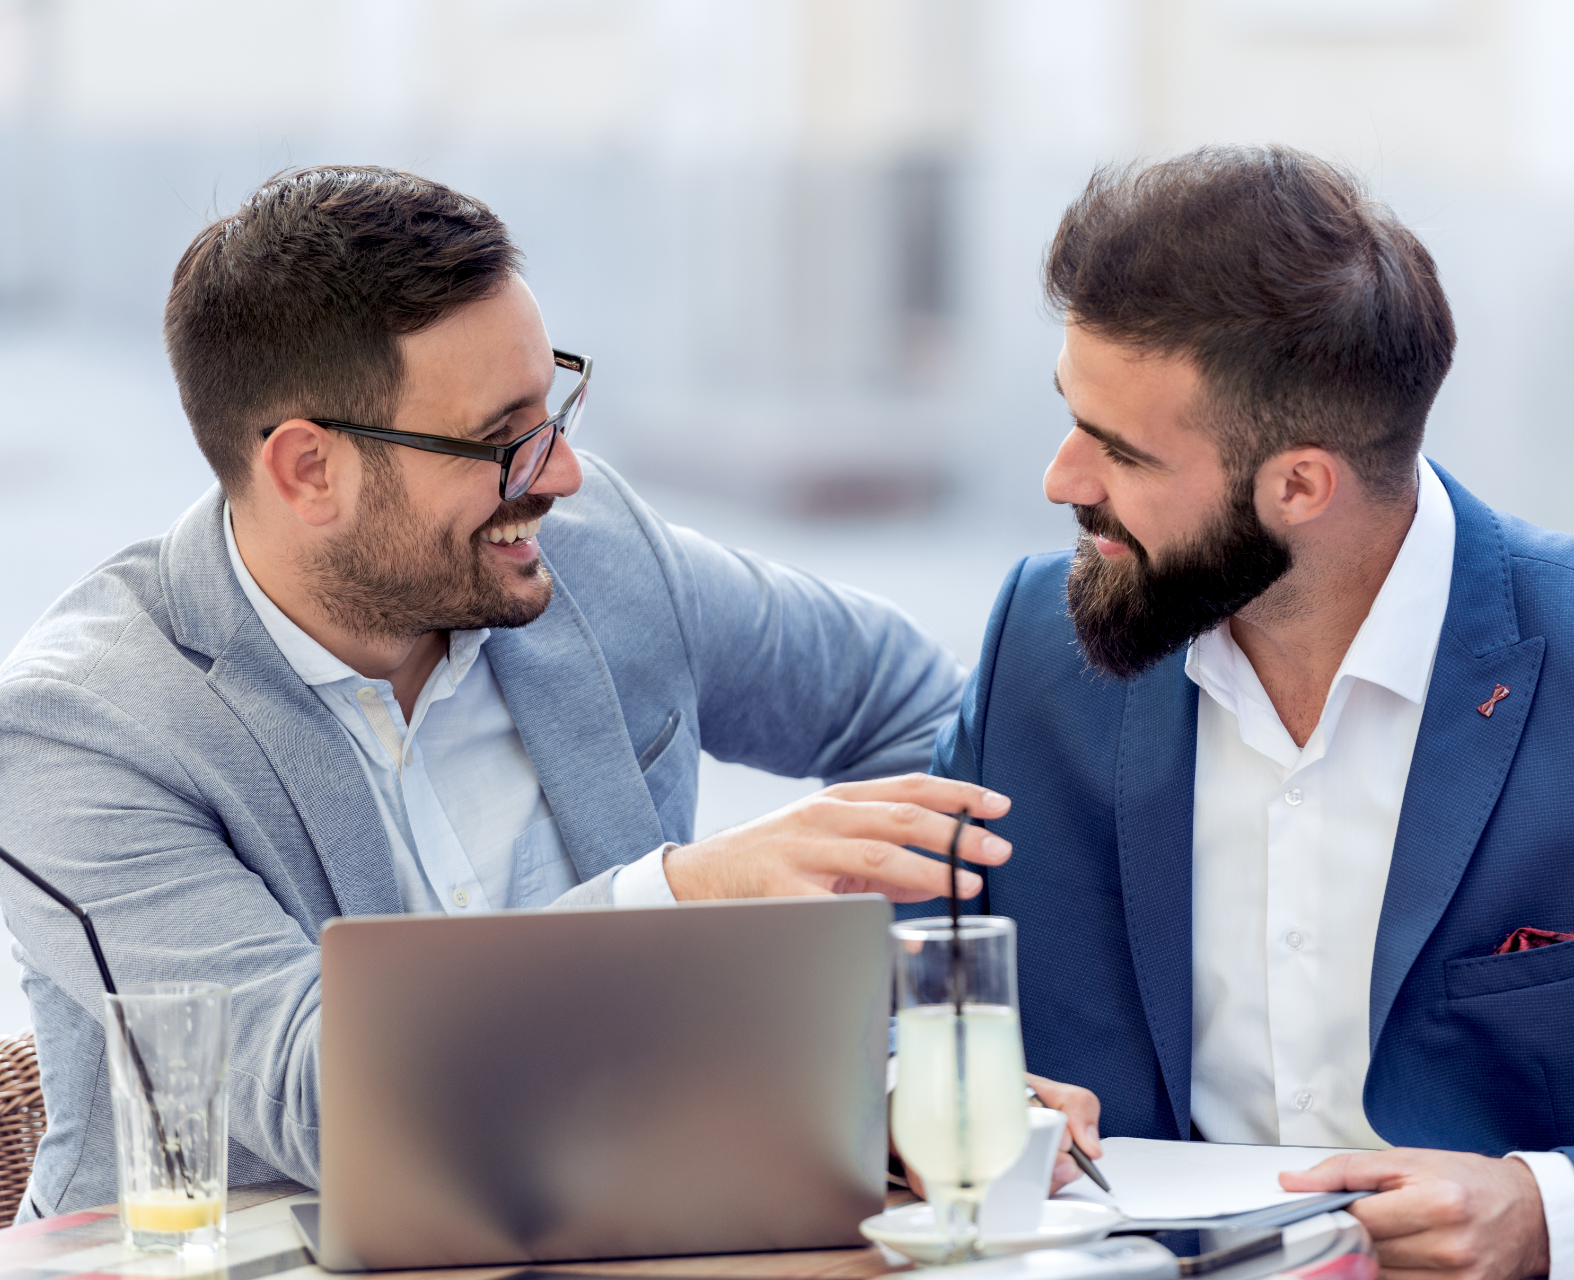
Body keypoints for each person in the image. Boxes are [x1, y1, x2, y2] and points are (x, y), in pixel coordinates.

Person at [911, 146, 1574, 1280]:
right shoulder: (1038, 647)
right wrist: (921, 1084)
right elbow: (894, 1004)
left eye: (1121, 450)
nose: (1060, 478)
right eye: (1070, 416)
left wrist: (1545, 1213)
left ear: (1299, 484)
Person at [0, 166, 1039, 1218]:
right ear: (308, 469)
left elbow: (928, 715)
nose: (563, 473)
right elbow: (318, 1099)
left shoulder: (597, 558)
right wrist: (671, 900)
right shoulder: (78, 730)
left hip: (664, 1231)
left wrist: (896, 1049)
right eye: (503, 436)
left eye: (557, 401)